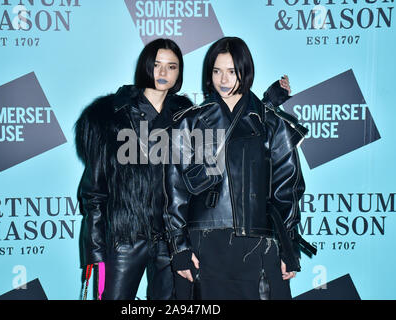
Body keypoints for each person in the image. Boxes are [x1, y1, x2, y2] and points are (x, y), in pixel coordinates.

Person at [74, 37, 293, 300]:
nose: (163, 73)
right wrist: (95, 253)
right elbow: (94, 194)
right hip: (126, 235)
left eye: (172, 66)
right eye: (156, 65)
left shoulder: (185, 114)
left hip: (170, 238)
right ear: (145, 66)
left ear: (180, 73)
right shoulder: (111, 117)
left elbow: (232, 128)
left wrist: (267, 104)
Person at [163, 37, 316, 300]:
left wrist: (288, 248)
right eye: (217, 71)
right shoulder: (189, 123)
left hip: (260, 243)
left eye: (232, 71)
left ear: (245, 72)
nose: (224, 79)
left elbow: (287, 189)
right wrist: (180, 249)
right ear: (208, 74)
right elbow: (174, 191)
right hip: (204, 245)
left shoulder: (272, 124)